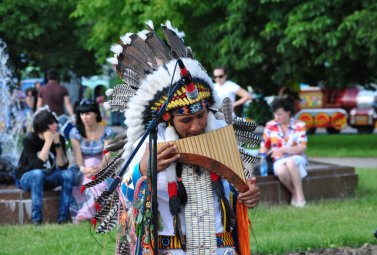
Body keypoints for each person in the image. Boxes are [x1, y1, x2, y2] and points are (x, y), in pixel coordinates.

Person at [97, 21, 261, 255]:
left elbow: (238, 190)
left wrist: (248, 193)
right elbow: (125, 198)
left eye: (201, 116)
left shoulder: (219, 135)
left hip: (220, 247)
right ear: (167, 118)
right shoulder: (151, 142)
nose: (196, 126)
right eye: (186, 120)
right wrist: (143, 170)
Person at [15, 108, 74, 224]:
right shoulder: (29, 139)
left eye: (55, 122)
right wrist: (47, 142)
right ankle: (37, 220)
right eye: (51, 123)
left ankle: (63, 218)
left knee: (69, 174)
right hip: (27, 178)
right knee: (38, 174)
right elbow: (36, 166)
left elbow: (63, 166)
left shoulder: (59, 138)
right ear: (43, 127)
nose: (56, 125)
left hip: (48, 178)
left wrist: (57, 144)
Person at [69, 99, 113, 221]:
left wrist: (99, 168)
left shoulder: (107, 132)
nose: (84, 117)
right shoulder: (75, 132)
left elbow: (106, 154)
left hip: (101, 167)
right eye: (82, 114)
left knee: (98, 174)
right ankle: (91, 210)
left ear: (96, 114)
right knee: (90, 171)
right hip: (82, 169)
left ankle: (86, 212)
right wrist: (84, 169)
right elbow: (78, 156)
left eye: (88, 113)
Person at [260, 97, 308, 207]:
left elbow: (302, 148)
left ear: (288, 112)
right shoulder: (270, 125)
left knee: (290, 162)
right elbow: (264, 146)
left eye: (280, 114)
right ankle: (294, 193)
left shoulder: (299, 125)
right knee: (281, 171)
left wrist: (282, 149)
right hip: (278, 159)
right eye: (275, 114)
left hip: (297, 158)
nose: (277, 117)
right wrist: (265, 153)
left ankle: (300, 196)